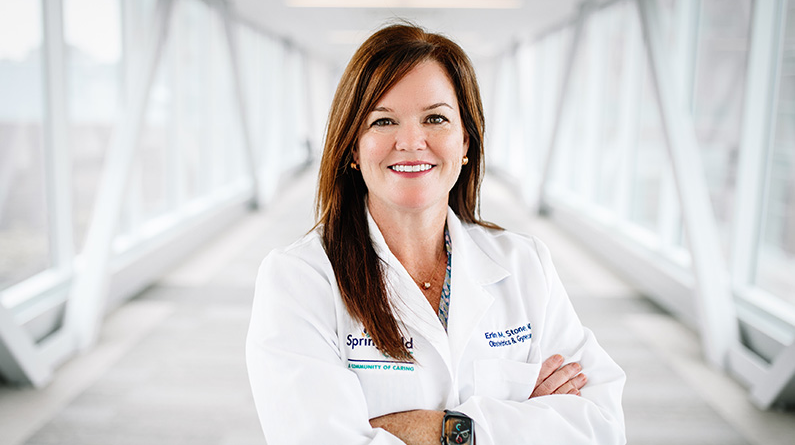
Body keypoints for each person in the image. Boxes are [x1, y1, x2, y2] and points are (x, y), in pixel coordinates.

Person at [246, 23, 626, 444]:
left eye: (436, 118)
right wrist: (520, 418)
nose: (411, 141)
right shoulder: (299, 279)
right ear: (353, 147)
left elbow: (600, 425)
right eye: (384, 120)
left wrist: (438, 430)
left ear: (466, 141)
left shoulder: (524, 264)